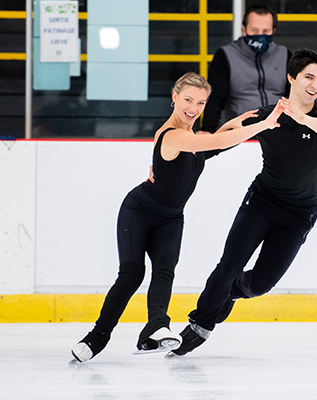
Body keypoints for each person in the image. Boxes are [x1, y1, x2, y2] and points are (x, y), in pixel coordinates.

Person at [70, 72, 284, 363]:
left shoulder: (192, 137)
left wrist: (235, 123)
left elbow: (213, 147)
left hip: (171, 218)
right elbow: (208, 145)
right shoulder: (172, 136)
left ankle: (156, 328)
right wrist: (261, 126)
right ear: (174, 97)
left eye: (200, 102)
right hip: (139, 212)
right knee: (132, 275)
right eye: (187, 100)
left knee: (165, 270)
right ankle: (96, 338)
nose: (193, 108)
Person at [169, 48, 317, 357]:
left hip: (299, 214)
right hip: (262, 201)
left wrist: (302, 117)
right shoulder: (266, 115)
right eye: (308, 77)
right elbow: (222, 138)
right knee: (228, 265)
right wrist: (225, 129)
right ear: (291, 77)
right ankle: (200, 325)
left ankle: (232, 293)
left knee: (260, 284)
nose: (315, 85)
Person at [201, 4, 291, 133]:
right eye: (254, 30)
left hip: (277, 130)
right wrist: (207, 130)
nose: (260, 36)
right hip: (239, 132)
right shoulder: (226, 55)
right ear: (244, 30)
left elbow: (297, 95)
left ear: (273, 31)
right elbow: (216, 97)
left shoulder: (284, 55)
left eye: (265, 31)